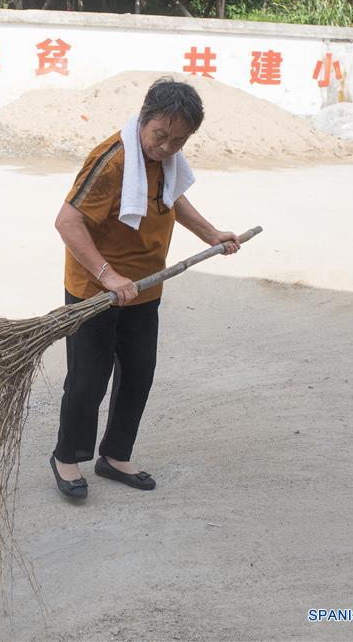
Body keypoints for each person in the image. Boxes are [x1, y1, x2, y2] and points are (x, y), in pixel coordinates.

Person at [49, 76, 240, 500]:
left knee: (138, 373)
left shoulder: (167, 161)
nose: (167, 147)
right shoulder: (112, 161)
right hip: (95, 291)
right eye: (160, 136)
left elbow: (171, 198)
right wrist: (108, 277)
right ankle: (67, 456)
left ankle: (115, 455)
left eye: (179, 140)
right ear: (144, 119)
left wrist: (211, 234)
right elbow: (67, 222)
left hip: (144, 288)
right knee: (88, 378)